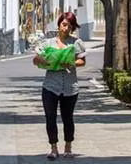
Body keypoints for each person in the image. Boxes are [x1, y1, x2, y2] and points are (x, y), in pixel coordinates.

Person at [33, 12, 86, 160]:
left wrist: (71, 63)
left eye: (69, 26)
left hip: (70, 87)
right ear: (58, 25)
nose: (66, 28)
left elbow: (82, 61)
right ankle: (53, 148)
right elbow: (36, 60)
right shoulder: (48, 43)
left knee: (67, 117)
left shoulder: (76, 43)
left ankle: (68, 147)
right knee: (50, 117)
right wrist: (41, 61)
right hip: (50, 86)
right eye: (64, 25)